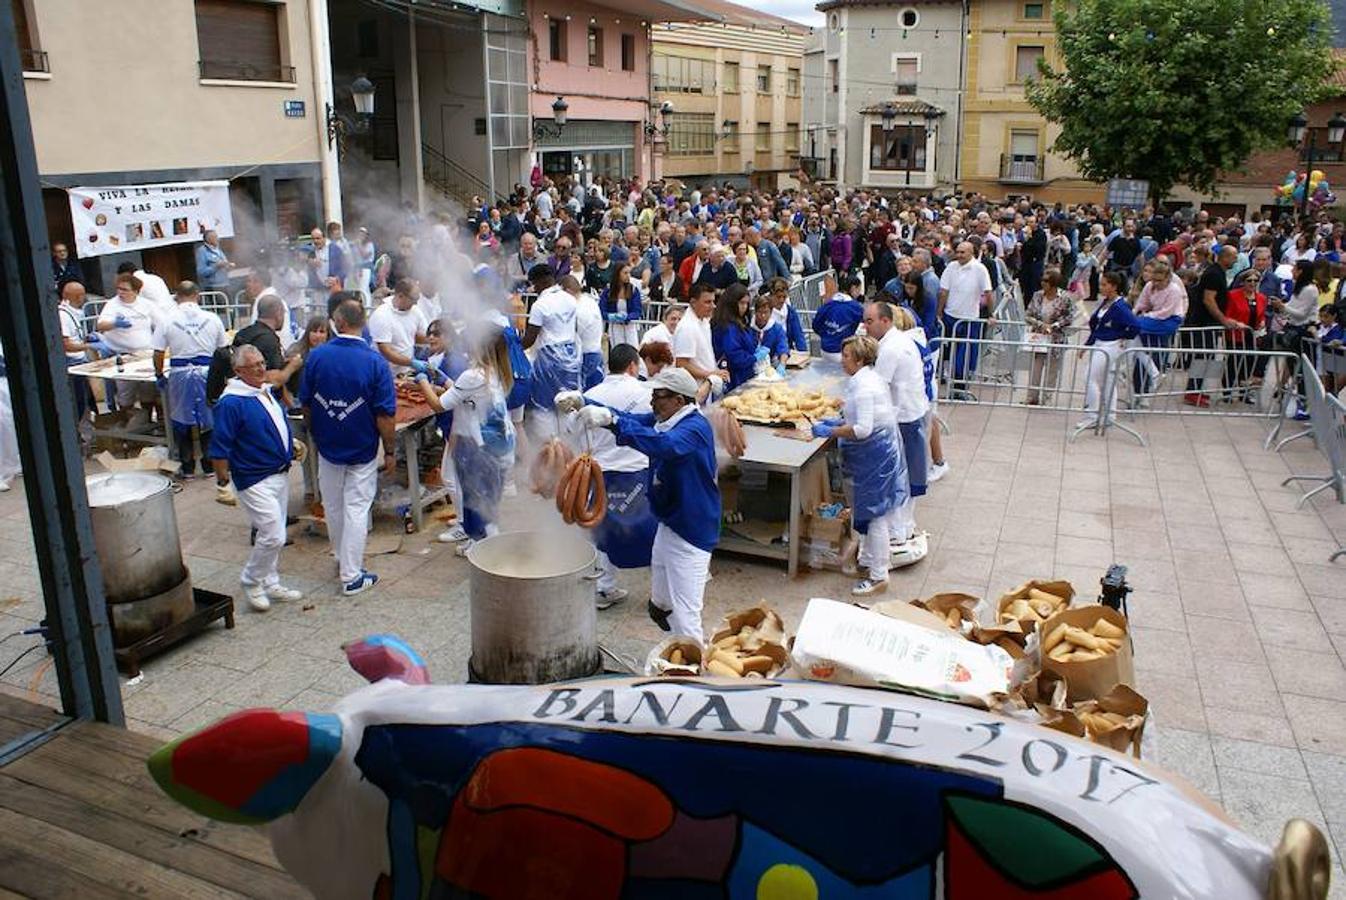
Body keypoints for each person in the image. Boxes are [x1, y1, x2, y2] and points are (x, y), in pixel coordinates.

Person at [560, 366, 719, 638]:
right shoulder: (666, 418)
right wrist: (585, 402)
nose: (652, 401)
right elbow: (630, 419)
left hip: (692, 531)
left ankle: (692, 658)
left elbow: (663, 445)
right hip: (669, 523)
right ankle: (673, 646)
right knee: (661, 607)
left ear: (678, 400)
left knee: (686, 615)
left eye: (658, 396)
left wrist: (614, 422)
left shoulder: (694, 428)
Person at [298, 299, 397, 596]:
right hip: (362, 446)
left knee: (333, 504)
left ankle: (343, 558)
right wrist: (390, 451)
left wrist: (316, 433)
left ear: (337, 323)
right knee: (356, 507)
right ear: (362, 324)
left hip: (327, 445)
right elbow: (385, 415)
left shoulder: (317, 357)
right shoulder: (375, 362)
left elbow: (306, 402)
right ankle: (351, 575)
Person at [561, 345, 656, 608]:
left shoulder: (589, 395)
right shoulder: (646, 393)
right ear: (633, 366)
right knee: (651, 530)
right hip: (637, 469)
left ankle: (604, 587)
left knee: (601, 532)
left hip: (600, 473)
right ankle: (661, 593)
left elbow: (571, 432)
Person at [209, 344, 303, 612]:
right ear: (238, 371)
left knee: (273, 531)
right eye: (254, 366)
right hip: (253, 477)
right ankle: (251, 580)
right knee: (273, 534)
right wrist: (222, 483)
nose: (261, 369)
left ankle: (270, 582)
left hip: (278, 472)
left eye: (262, 363)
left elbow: (270, 425)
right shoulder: (231, 402)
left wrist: (289, 444)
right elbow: (220, 445)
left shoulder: (262, 391)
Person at [810, 335, 905, 596]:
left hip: (874, 456)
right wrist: (839, 420)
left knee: (875, 516)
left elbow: (863, 429)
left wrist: (831, 431)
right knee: (870, 512)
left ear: (860, 360)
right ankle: (870, 560)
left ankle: (879, 575)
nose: (842, 360)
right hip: (874, 455)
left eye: (847, 356)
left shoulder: (864, 386)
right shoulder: (865, 379)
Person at [414, 321, 516, 555]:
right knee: (487, 500)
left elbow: (438, 405)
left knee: (478, 502)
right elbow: (463, 393)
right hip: (499, 445)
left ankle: (486, 552)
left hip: (481, 448)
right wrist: (440, 378)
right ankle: (478, 543)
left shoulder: (473, 375)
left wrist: (422, 379)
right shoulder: (496, 371)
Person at [865, 302, 928, 562]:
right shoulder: (901, 340)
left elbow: (877, 388)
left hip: (904, 419)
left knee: (898, 478)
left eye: (870, 321)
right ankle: (903, 529)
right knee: (907, 475)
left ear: (886, 320)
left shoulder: (891, 348)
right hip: (912, 414)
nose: (865, 327)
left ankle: (896, 535)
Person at [152, 281, 229, 479]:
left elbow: (158, 352)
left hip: (180, 374)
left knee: (181, 419)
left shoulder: (167, 320)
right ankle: (210, 465)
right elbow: (223, 350)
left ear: (176, 297)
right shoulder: (212, 318)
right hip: (208, 373)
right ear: (198, 295)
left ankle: (187, 467)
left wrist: (159, 374)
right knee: (209, 417)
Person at [523, 266, 582, 437]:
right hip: (570, 358)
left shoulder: (540, 305)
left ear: (540, 282)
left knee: (544, 407)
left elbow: (530, 339)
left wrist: (513, 348)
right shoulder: (570, 299)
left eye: (534, 285)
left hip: (547, 361)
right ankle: (569, 444)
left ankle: (547, 445)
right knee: (567, 405)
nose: (534, 289)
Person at [96, 272, 164, 421]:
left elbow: (161, 324)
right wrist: (114, 323)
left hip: (144, 354)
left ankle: (148, 421)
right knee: (125, 393)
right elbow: (100, 325)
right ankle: (126, 422)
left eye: (125, 290)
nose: (121, 292)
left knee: (148, 391)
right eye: (119, 289)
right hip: (123, 355)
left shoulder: (146, 305)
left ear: (136, 291)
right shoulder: (112, 305)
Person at [1078, 271, 1139, 430]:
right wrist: (1088, 344)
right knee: (1108, 380)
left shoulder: (1120, 306)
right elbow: (1097, 327)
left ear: (1114, 286)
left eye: (1104, 284)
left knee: (1090, 377)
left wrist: (1120, 336)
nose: (1101, 287)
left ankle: (1093, 415)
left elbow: (1135, 326)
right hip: (1101, 343)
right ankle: (1109, 415)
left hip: (1110, 345)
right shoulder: (1107, 303)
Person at [937, 241, 993, 396]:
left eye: (963, 252)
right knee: (947, 351)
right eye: (958, 252)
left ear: (971, 253)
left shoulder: (980, 269)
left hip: (969, 319)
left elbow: (988, 293)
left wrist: (991, 314)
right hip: (950, 316)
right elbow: (943, 291)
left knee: (965, 355)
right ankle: (947, 380)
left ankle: (960, 387)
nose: (959, 255)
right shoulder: (951, 267)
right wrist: (939, 312)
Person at [1023, 268, 1079, 405]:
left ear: (1054, 283)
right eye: (1042, 280)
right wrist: (1040, 324)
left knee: (1053, 370)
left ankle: (1047, 398)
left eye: (1046, 281)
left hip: (1056, 339)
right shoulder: (1037, 295)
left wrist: (1054, 326)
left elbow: (1069, 317)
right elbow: (1028, 315)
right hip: (1038, 337)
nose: (1042, 283)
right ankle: (1032, 397)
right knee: (1035, 368)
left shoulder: (1065, 298)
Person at [673, 283, 730, 393]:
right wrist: (710, 374)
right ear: (693, 302)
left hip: (707, 385)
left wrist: (714, 372)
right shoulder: (687, 327)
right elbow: (682, 363)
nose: (713, 306)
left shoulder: (704, 321)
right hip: (694, 390)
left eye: (713, 301)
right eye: (708, 302)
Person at [369, 278, 430, 376]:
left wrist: (435, 340)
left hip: (405, 371)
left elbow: (418, 335)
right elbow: (386, 351)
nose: (416, 303)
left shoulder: (415, 311)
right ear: (400, 296)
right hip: (384, 372)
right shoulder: (382, 315)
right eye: (413, 299)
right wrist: (411, 362)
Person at [710, 284, 758, 391]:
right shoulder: (728, 327)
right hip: (734, 378)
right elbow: (734, 355)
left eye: (747, 303)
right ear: (732, 303)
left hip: (744, 375)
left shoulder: (741, 321)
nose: (745, 307)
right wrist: (754, 358)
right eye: (741, 303)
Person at [812, 273, 865, 364]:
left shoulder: (828, 305)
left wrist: (826, 335)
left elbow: (816, 325)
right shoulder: (856, 308)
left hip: (825, 349)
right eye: (859, 289)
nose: (859, 293)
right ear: (853, 288)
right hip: (843, 351)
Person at [601, 263, 643, 349]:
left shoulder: (633, 290)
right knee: (617, 349)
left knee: (633, 349)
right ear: (617, 274)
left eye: (629, 273)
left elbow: (637, 311)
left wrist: (627, 317)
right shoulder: (608, 291)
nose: (628, 276)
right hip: (614, 326)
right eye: (625, 273)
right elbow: (602, 309)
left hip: (630, 325)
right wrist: (610, 316)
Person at [765, 277, 809, 353]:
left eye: (784, 297)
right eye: (778, 297)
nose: (782, 300)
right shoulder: (764, 312)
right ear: (771, 296)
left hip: (787, 351)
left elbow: (799, 336)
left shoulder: (791, 312)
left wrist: (803, 353)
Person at [750, 296, 789, 368]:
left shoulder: (776, 329)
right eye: (760, 312)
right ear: (755, 312)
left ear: (771, 313)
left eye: (766, 312)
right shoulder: (748, 327)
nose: (763, 316)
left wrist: (782, 364)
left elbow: (783, 348)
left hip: (770, 364)